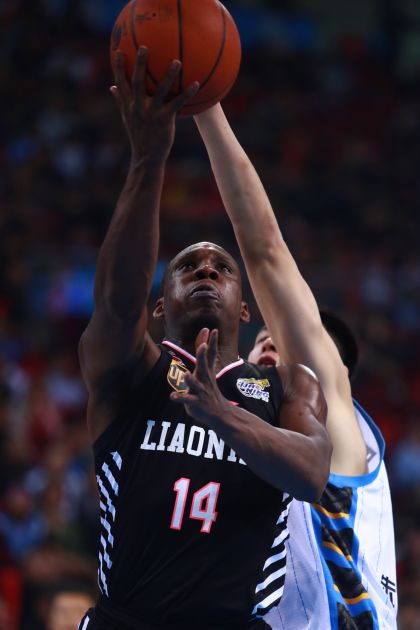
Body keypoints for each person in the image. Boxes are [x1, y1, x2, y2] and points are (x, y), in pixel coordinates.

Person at [77, 49, 332, 629]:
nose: (207, 270)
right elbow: (116, 301)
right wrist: (148, 159)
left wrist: (222, 415)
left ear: (244, 307)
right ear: (160, 305)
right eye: (188, 266)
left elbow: (313, 473)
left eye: (221, 267)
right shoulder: (134, 370)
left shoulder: (286, 383)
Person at [194, 104, 398, 629]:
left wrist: (206, 108)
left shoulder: (338, 438)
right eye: (262, 339)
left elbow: (265, 252)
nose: (269, 343)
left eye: (283, 342)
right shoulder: (243, 445)